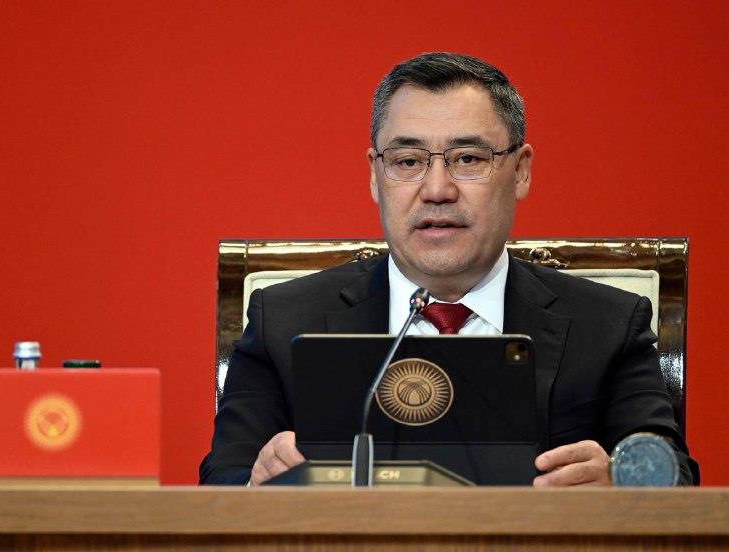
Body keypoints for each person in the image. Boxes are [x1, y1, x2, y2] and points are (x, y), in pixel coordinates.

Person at [199, 52, 698, 486]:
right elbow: (223, 478)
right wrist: (254, 482)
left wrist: (623, 482)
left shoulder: (607, 326)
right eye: (407, 161)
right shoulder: (284, 321)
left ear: (520, 171)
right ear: (375, 175)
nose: (437, 190)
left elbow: (673, 474)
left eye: (468, 158)